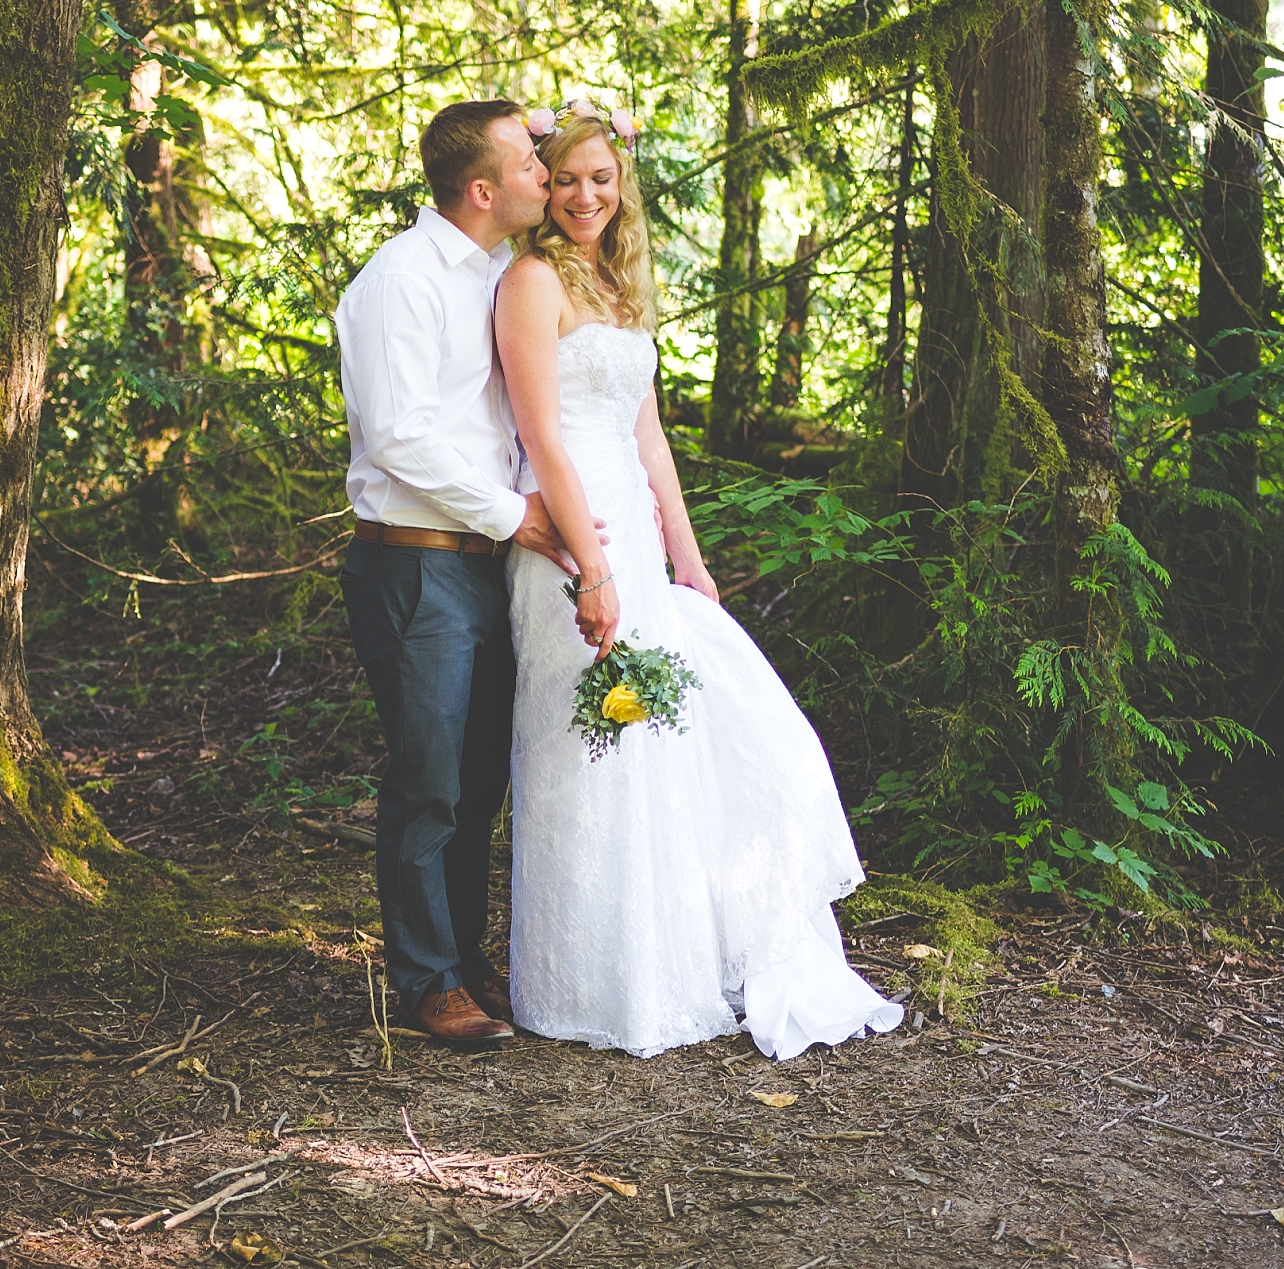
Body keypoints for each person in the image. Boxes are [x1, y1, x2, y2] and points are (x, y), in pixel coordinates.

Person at [494, 100, 903, 1059]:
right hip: (565, 531)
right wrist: (591, 566)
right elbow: (542, 431)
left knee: (656, 739)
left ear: (621, 181)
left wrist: (687, 555)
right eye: (565, 179)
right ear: (541, 188)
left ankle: (667, 964)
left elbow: (648, 432)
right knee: (589, 738)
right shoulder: (530, 282)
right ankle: (587, 982)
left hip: (631, 528)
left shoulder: (617, 279)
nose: (584, 194)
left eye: (601, 177)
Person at [334, 99, 601, 1049]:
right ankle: (425, 980)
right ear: (483, 190)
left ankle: (464, 953)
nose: (549, 174)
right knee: (431, 777)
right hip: (415, 567)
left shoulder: (498, 270)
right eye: (533, 163)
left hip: (488, 566)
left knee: (483, 773)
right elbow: (399, 435)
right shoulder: (398, 282)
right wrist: (518, 515)